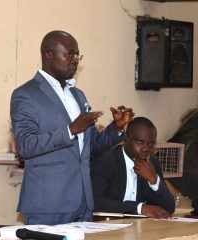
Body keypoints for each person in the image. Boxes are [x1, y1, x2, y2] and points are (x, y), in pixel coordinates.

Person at [10, 30, 134, 225]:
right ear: (48, 55)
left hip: (83, 202)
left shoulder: (78, 95)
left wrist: (116, 129)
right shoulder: (26, 95)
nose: (75, 60)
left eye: (78, 55)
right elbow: (26, 146)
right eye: (69, 55)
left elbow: (91, 146)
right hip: (48, 204)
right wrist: (70, 130)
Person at [91, 117, 175, 218]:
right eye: (140, 142)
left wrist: (154, 180)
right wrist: (139, 208)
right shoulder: (106, 161)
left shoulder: (151, 164)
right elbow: (95, 202)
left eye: (150, 144)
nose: (146, 148)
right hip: (107, 226)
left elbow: (169, 208)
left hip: (139, 228)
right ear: (126, 138)